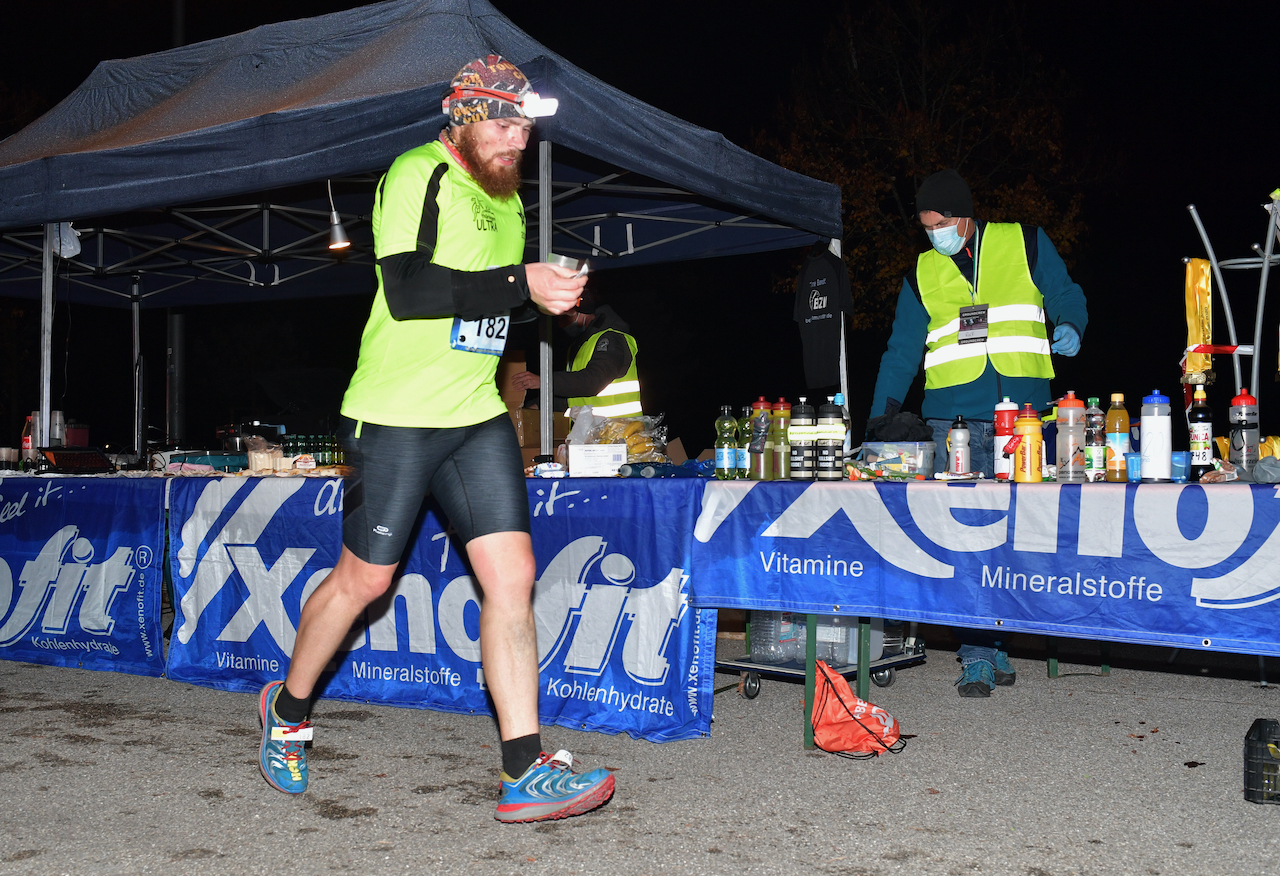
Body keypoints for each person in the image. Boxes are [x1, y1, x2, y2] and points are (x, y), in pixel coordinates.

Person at [256, 55, 615, 823]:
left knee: (512, 576)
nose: (517, 140)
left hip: (474, 414)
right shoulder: (415, 173)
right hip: (395, 413)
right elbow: (409, 289)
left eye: (525, 128)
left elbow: (483, 308)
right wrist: (523, 284)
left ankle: (523, 768)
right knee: (368, 581)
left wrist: (536, 298)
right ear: (463, 117)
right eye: (505, 123)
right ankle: (285, 711)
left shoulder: (511, 202)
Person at [867, 168, 1087, 698]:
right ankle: (979, 655)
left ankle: (997, 637)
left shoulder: (1025, 242)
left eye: (939, 225)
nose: (933, 236)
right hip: (952, 422)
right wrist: (878, 419)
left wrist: (1071, 324)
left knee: (1017, 535)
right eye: (925, 228)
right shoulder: (922, 270)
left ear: (964, 217)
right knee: (967, 537)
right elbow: (902, 350)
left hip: (1026, 420)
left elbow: (1065, 291)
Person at [508, 288, 642, 417]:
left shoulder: (611, 339)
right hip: (592, 434)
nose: (561, 324)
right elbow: (573, 397)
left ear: (583, 311)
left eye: (564, 318)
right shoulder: (579, 346)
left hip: (621, 433)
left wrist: (544, 381)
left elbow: (594, 380)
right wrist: (537, 406)